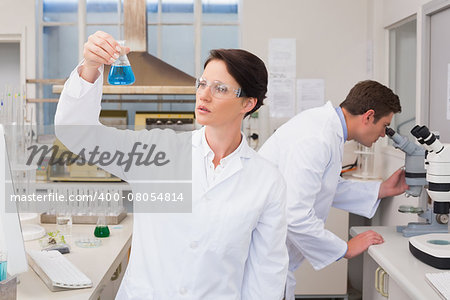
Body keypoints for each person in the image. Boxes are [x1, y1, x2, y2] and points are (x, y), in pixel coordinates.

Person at [55, 31, 288, 299]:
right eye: (202, 84)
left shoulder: (267, 180)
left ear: (248, 103)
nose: (204, 95)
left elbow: (265, 275)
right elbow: (75, 132)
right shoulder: (156, 153)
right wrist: (90, 67)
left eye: (220, 88)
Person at [259, 80, 409, 299]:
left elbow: (325, 187)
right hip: (263, 261)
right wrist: (345, 249)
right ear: (368, 116)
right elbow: (294, 215)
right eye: (384, 125)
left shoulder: (326, 130)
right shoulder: (317, 138)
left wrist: (381, 190)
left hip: (271, 258)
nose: (384, 134)